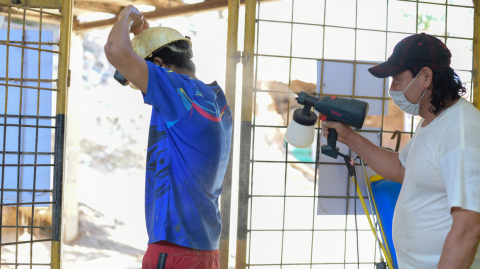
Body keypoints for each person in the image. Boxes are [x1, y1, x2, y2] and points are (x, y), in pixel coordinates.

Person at [322, 33, 480, 268]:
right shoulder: (433, 121)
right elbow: (401, 169)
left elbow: (469, 226)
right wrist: (347, 137)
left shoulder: (460, 130)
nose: (391, 88)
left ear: (425, 77)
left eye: (397, 79)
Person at [104, 5, 232, 269]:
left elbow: (116, 50)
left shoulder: (176, 89)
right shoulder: (214, 100)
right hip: (206, 249)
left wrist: (128, 16)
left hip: (174, 250)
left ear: (160, 66)